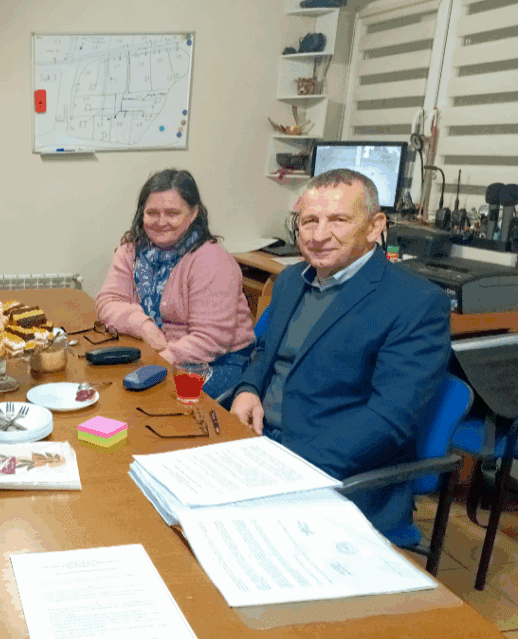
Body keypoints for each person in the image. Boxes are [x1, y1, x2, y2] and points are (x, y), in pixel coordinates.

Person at [230, 168, 452, 536]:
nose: (319, 236)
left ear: (375, 227)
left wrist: (290, 469)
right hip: (260, 447)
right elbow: (266, 350)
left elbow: (390, 419)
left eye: (338, 220)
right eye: (309, 221)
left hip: (336, 475)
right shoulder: (291, 280)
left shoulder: (416, 303)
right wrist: (248, 388)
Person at [96, 169, 255, 399]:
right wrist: (145, 327)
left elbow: (210, 339)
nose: (161, 222)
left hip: (219, 360)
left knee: (152, 400)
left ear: (193, 213)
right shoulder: (130, 251)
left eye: (172, 213)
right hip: (156, 352)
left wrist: (158, 360)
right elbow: (108, 301)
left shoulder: (211, 259)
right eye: (152, 213)